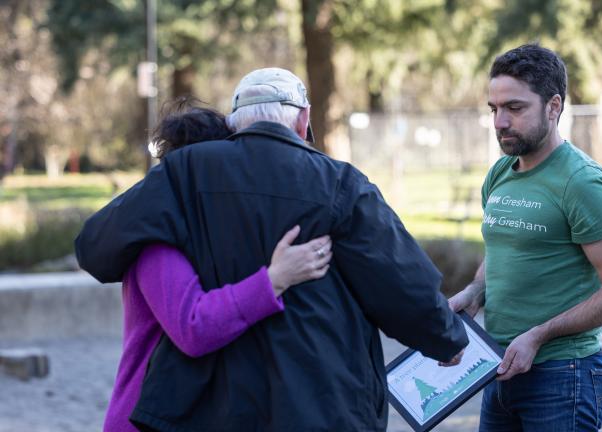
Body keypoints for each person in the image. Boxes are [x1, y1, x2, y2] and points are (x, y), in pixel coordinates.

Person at [76, 67, 468, 431]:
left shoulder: (186, 174)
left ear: (234, 123)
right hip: (326, 400)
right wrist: (446, 338)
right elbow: (398, 281)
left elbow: (95, 244)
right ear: (303, 120)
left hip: (218, 406)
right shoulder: (340, 184)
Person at [104, 98, 333, 432]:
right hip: (148, 421)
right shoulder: (155, 243)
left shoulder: (210, 233)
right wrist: (275, 279)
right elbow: (193, 326)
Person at [449, 44, 602, 431]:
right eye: (494, 109)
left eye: (514, 108)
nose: (500, 122)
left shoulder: (582, 182)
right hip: (500, 367)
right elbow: (503, 250)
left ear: (554, 107)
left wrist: (539, 335)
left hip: (562, 375)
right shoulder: (500, 174)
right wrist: (474, 293)